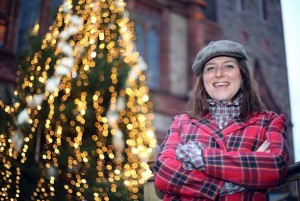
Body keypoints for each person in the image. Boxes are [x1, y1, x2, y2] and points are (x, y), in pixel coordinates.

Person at [153, 40, 290, 201]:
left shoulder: (269, 121)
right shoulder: (181, 122)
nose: (219, 74)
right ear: (203, 79)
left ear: (243, 75)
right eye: (211, 68)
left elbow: (275, 166)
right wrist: (237, 180)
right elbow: (164, 174)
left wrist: (200, 157)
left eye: (228, 66)